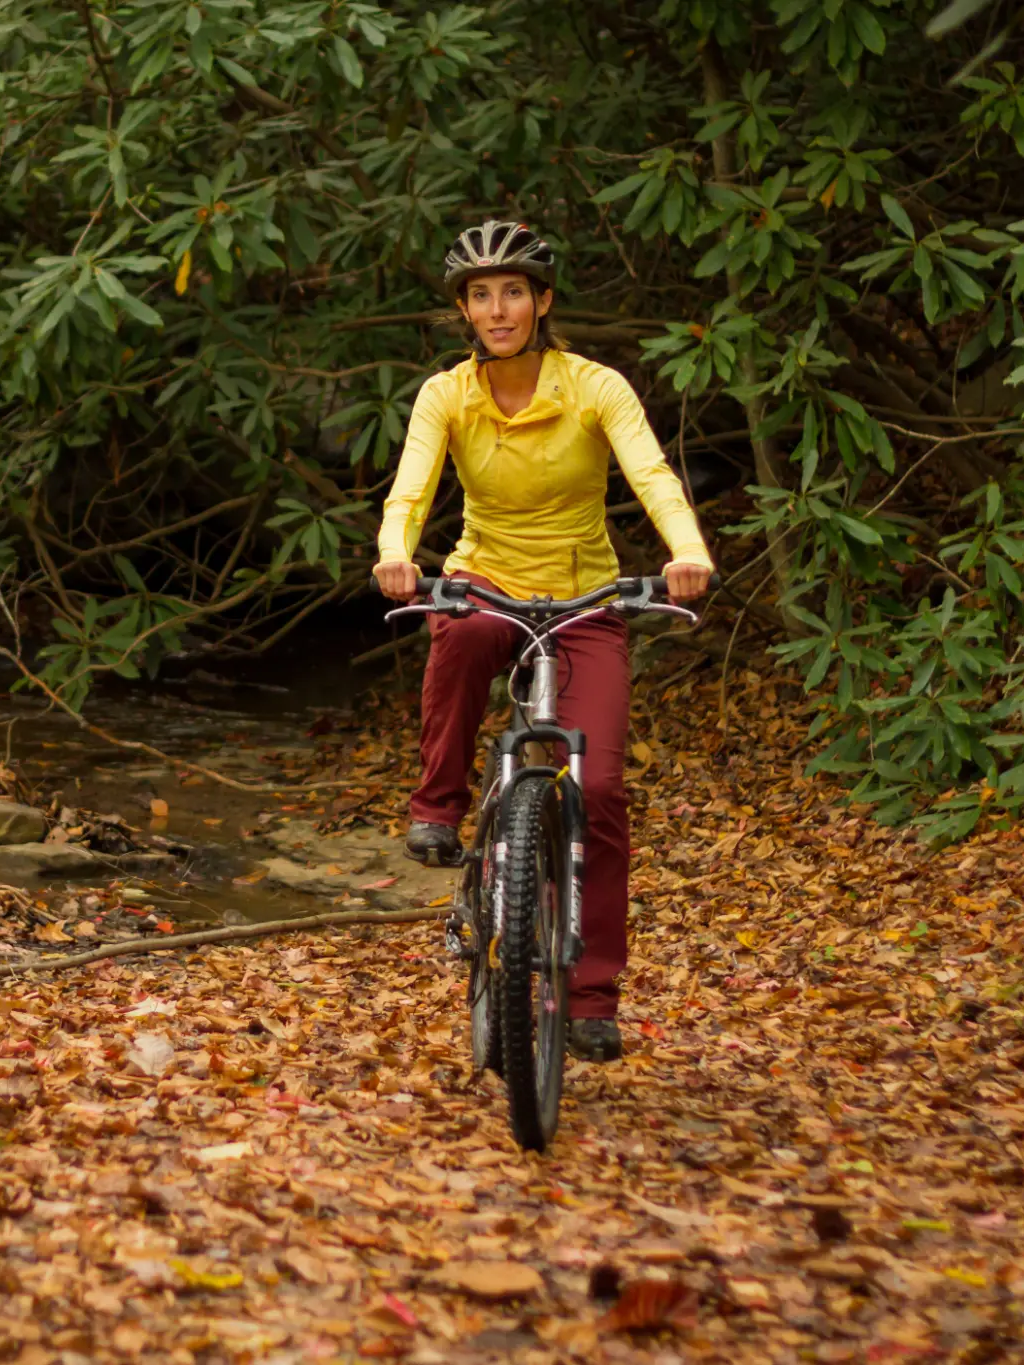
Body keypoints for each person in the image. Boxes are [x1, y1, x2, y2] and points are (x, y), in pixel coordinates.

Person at [371, 220, 715, 1063]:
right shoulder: (445, 395)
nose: (499, 308)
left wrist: (687, 549)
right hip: (487, 579)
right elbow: (409, 493)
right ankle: (436, 809)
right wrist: (395, 555)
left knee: (596, 789)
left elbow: (651, 473)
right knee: (456, 638)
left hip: (587, 595)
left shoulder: (595, 386)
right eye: (482, 294)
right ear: (464, 310)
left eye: (515, 291)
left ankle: (593, 997)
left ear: (544, 302)